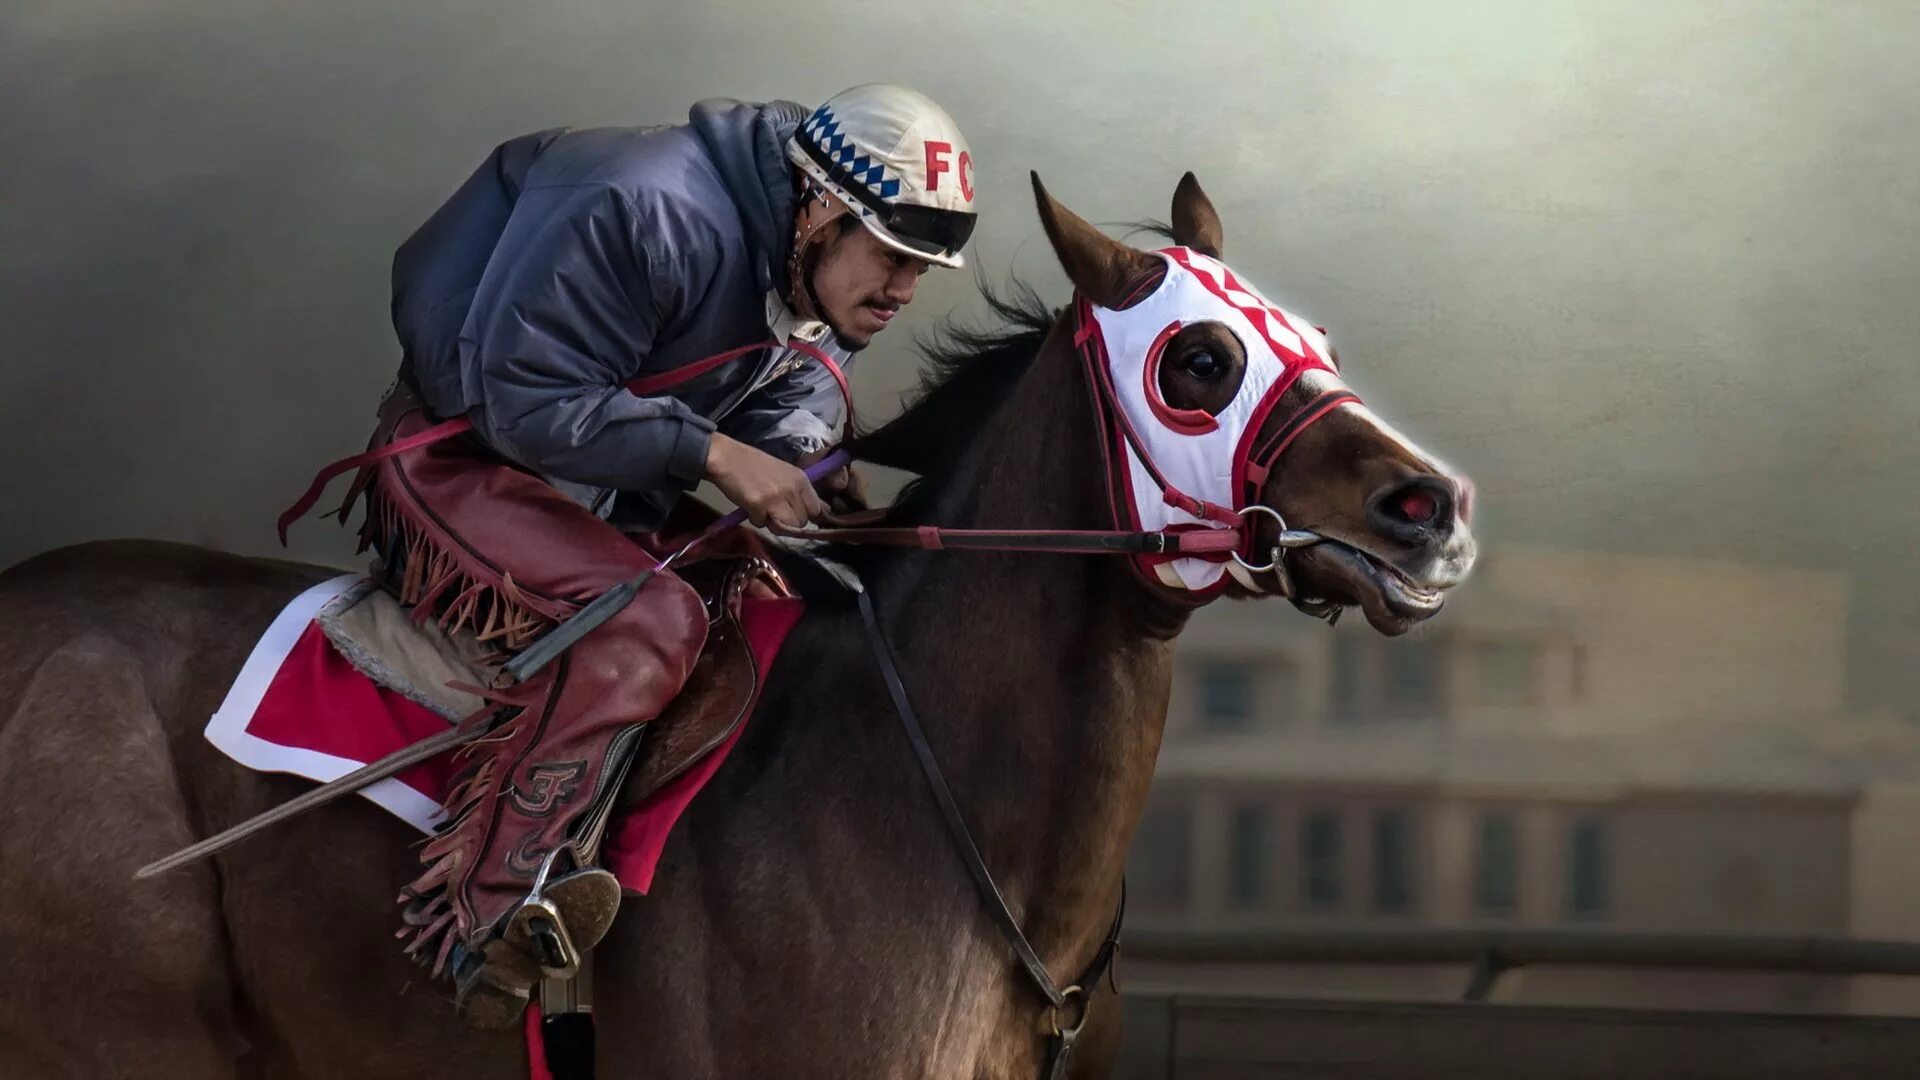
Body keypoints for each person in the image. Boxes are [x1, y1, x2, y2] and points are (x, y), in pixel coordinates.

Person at [359, 83, 978, 1023]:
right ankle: (490, 914)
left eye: (922, 269)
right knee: (647, 625)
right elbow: (522, 398)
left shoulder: (807, 260)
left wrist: (808, 454)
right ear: (818, 205)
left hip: (601, 480)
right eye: (892, 256)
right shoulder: (641, 204)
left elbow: (797, 381)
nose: (903, 291)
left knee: (773, 592)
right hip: (463, 451)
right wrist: (718, 455)